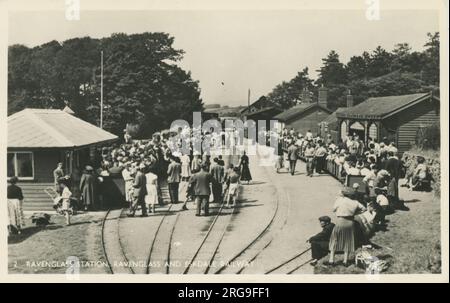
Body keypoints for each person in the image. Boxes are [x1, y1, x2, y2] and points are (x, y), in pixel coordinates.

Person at [326, 189, 366, 267]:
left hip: (341, 221)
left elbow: (333, 209)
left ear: (344, 194)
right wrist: (355, 213)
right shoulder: (355, 202)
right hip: (350, 222)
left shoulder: (340, 200)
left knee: (334, 239)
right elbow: (364, 209)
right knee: (348, 240)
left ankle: (331, 260)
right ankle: (345, 261)